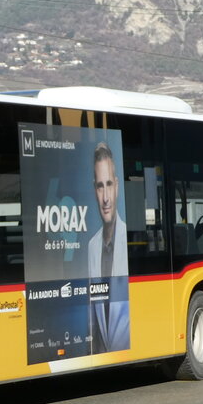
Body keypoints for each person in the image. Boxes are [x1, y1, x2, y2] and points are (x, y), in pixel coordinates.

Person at [86, 142, 130, 353]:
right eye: (100, 186)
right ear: (94, 189)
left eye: (109, 184)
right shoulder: (92, 247)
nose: (105, 198)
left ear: (117, 186)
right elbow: (94, 320)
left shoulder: (129, 238)